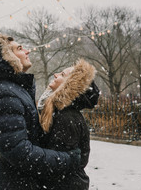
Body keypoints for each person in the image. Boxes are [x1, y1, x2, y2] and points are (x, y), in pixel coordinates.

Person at [0, 33, 81, 190]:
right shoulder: (5, 94)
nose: (27, 51)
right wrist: (67, 159)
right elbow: (19, 153)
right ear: (8, 59)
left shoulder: (16, 90)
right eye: (20, 48)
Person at [38, 59, 100, 190]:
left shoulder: (66, 117)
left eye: (62, 75)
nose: (55, 75)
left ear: (69, 85)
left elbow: (62, 163)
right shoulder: (59, 112)